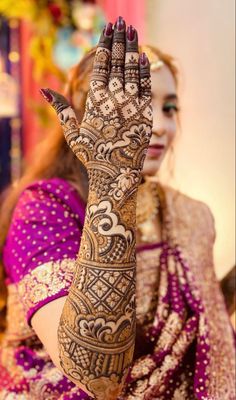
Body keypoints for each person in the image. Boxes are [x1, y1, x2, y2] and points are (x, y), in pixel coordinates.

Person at [0, 16, 235, 400]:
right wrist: (113, 178)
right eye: (137, 103)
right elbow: (96, 377)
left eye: (170, 108)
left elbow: (195, 326)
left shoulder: (189, 214)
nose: (157, 125)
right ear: (81, 117)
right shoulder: (46, 208)